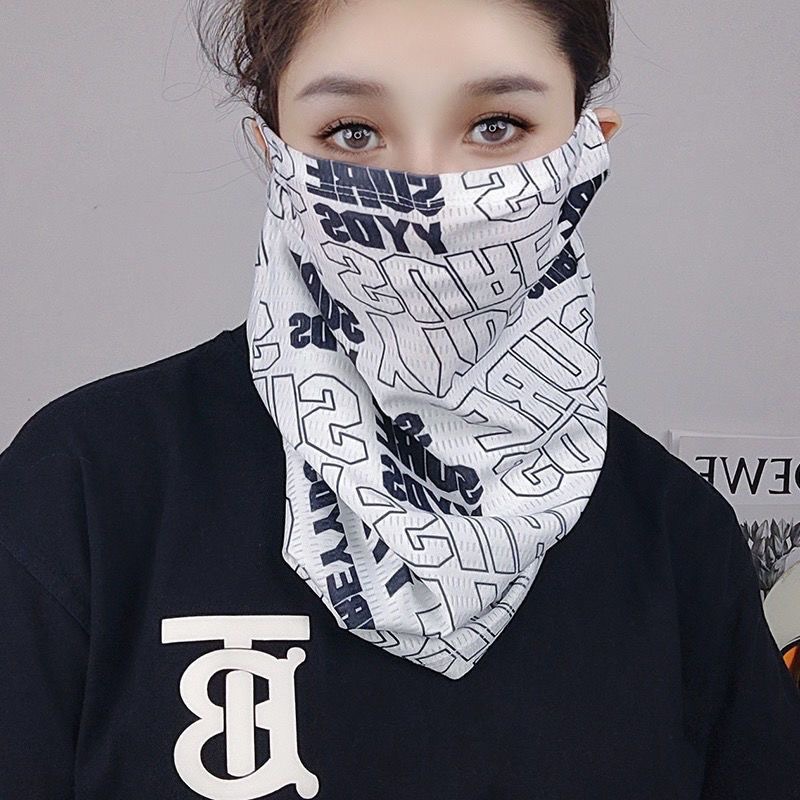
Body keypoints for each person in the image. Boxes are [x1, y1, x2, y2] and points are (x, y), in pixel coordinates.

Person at [1, 0, 798, 797]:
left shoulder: (682, 541)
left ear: (588, 150)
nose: (427, 189)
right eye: (352, 132)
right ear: (274, 153)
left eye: (496, 126)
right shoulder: (81, 495)